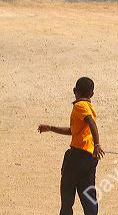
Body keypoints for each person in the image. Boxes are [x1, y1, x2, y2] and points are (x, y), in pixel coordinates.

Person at [38, 77, 105, 215]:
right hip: (90, 157)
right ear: (92, 94)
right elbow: (72, 131)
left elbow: (91, 123)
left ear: (75, 91)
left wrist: (98, 143)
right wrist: (50, 128)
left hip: (77, 156)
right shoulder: (90, 107)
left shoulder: (79, 106)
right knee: (88, 193)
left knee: (67, 191)